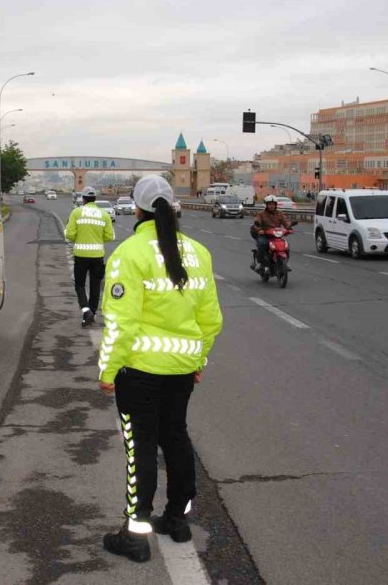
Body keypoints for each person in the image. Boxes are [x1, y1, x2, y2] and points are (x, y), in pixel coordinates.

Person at [96, 175, 223, 563]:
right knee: (177, 438)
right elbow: (211, 320)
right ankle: (177, 520)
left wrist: (107, 370)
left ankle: (136, 534)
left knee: (141, 448)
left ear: (137, 209)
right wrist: (198, 360)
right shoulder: (198, 253)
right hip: (182, 370)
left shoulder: (129, 254)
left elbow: (121, 323)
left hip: (138, 372)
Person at [65, 185, 115, 326]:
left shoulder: (76, 212)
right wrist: (97, 239)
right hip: (98, 256)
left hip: (81, 256)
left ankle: (86, 311)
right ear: (95, 199)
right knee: (95, 285)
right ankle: (92, 312)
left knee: (80, 284)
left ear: (83, 199)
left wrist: (80, 238)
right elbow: (109, 236)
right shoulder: (104, 214)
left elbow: (69, 234)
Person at [250, 194, 292, 270]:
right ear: (266, 205)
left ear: (276, 205)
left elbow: (285, 221)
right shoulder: (261, 214)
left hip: (276, 235)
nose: (271, 206)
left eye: (273, 204)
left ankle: (285, 263)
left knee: (286, 245)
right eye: (269, 204)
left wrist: (289, 227)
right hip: (265, 235)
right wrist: (259, 230)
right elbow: (256, 223)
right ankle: (260, 263)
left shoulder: (280, 213)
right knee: (262, 243)